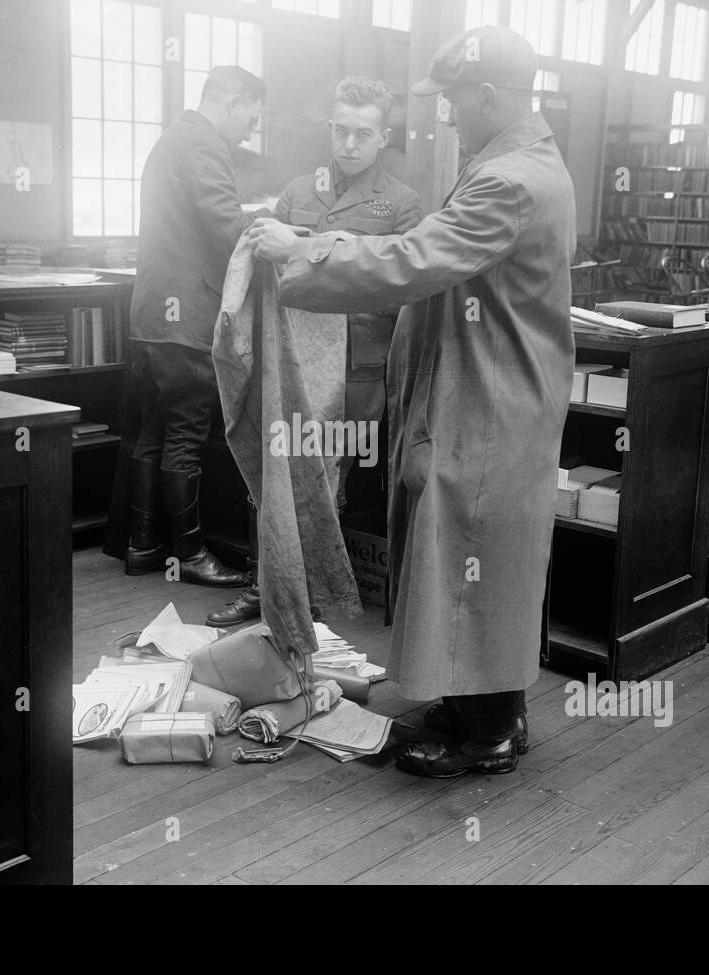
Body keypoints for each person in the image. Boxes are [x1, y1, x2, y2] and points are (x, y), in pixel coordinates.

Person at [248, 26, 576, 778]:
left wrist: (301, 253)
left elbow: (413, 259)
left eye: (456, 98)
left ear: (488, 94)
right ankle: (482, 705)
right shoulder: (520, 159)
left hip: (490, 395)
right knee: (477, 548)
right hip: (492, 386)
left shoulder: (506, 179)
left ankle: (486, 733)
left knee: (473, 548)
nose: (450, 114)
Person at [207, 76, 423, 627]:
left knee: (328, 481)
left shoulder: (401, 205)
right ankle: (268, 588)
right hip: (292, 364)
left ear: (383, 137)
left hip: (356, 366)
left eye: (363, 134)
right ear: (331, 128)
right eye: (341, 131)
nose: (349, 144)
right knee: (275, 475)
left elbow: (400, 285)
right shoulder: (298, 193)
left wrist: (314, 251)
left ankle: (313, 600)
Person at [125, 66, 265, 588]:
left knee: (155, 427)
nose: (249, 131)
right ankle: (189, 553)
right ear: (231, 101)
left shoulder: (172, 138)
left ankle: (143, 545)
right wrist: (269, 231)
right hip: (187, 316)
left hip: (155, 315)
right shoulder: (205, 144)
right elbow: (225, 224)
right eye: (249, 117)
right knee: (185, 429)